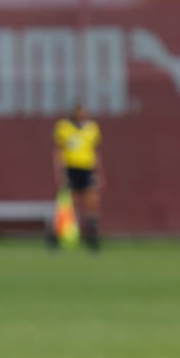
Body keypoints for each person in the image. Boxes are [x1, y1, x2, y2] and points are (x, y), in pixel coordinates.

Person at [52, 103, 103, 252]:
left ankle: (92, 238)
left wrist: (99, 172)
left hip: (87, 169)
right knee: (68, 205)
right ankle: (56, 237)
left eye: (83, 111)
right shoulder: (64, 127)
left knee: (92, 203)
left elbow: (95, 151)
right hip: (71, 169)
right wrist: (60, 172)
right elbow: (58, 151)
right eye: (79, 111)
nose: (81, 114)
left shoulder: (92, 128)